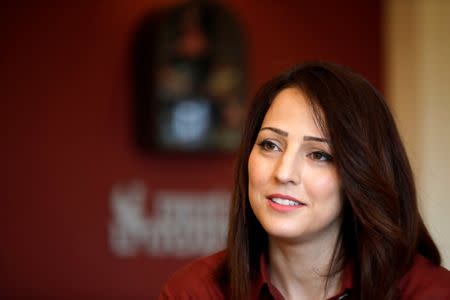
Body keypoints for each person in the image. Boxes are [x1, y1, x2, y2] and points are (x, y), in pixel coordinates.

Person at [158, 62, 450, 299]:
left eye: (319, 155)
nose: (284, 173)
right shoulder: (194, 292)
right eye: (270, 145)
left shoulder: (429, 292)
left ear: (363, 174)